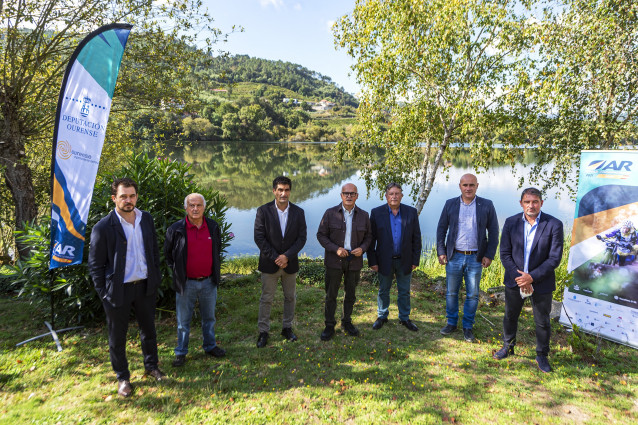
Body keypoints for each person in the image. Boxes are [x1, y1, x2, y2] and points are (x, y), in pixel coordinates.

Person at [88, 177, 165, 398]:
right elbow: (95, 265)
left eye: (132, 196)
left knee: (148, 330)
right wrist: (104, 293)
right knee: (117, 337)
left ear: (137, 197)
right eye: (123, 196)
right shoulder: (103, 227)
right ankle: (122, 377)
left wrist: (155, 277)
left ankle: (151, 366)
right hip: (118, 290)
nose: (128, 200)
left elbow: (153, 250)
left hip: (144, 286)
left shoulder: (146, 219)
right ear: (114, 198)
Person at [493, 187, 564, 373]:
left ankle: (542, 354)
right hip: (515, 281)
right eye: (527, 202)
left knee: (542, 321)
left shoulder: (554, 224)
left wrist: (531, 277)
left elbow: (554, 258)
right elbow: (505, 254)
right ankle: (508, 346)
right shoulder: (510, 222)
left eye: (535, 202)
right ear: (521, 203)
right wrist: (520, 278)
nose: (531, 205)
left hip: (541, 282)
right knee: (510, 316)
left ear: (541, 203)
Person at [436, 173, 499, 342]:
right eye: (465, 185)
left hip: (475, 258)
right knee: (451, 293)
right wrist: (441, 251)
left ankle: (468, 326)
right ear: (460, 186)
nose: (468, 188)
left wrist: (489, 255)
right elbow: (441, 229)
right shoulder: (450, 204)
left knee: (472, 294)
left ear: (477, 186)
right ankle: (451, 323)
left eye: (472, 185)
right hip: (454, 256)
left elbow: (493, 232)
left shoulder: (486, 205)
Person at [164, 193, 225, 367]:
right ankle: (181, 352)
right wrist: (179, 272)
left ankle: (210, 346)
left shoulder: (213, 227)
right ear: (186, 208)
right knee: (183, 321)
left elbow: (217, 249)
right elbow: (168, 255)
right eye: (191, 205)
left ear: (204, 207)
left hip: (208, 282)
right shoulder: (175, 229)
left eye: (199, 205)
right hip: (186, 283)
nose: (195, 209)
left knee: (209, 318)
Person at [254, 176, 307, 348]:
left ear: (290, 191)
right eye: (280, 190)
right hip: (270, 263)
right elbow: (259, 238)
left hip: (290, 264)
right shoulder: (263, 211)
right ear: (274, 191)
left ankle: (287, 328)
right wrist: (277, 257)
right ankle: (263, 331)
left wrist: (287, 256)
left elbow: (302, 238)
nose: (283, 193)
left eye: (286, 190)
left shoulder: (299, 212)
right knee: (266, 298)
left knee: (290, 297)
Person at [316, 183, 372, 341]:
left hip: (354, 261)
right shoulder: (330, 213)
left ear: (357, 196)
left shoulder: (364, 215)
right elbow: (321, 235)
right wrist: (335, 249)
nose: (349, 196)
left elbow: (369, 237)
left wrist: (363, 248)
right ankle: (329, 325)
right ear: (341, 195)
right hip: (334, 260)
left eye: (352, 193)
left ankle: (347, 322)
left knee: (351, 294)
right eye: (346, 193)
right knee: (331, 294)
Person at [367, 182, 422, 331]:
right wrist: (372, 261)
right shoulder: (376, 213)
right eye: (391, 194)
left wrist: (415, 260)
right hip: (384, 260)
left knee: (404, 291)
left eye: (397, 193)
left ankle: (404, 318)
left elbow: (416, 238)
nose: (394, 196)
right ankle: (382, 316)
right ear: (386, 196)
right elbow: (371, 240)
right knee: (383, 290)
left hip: (405, 260)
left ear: (402, 196)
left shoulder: (411, 212)